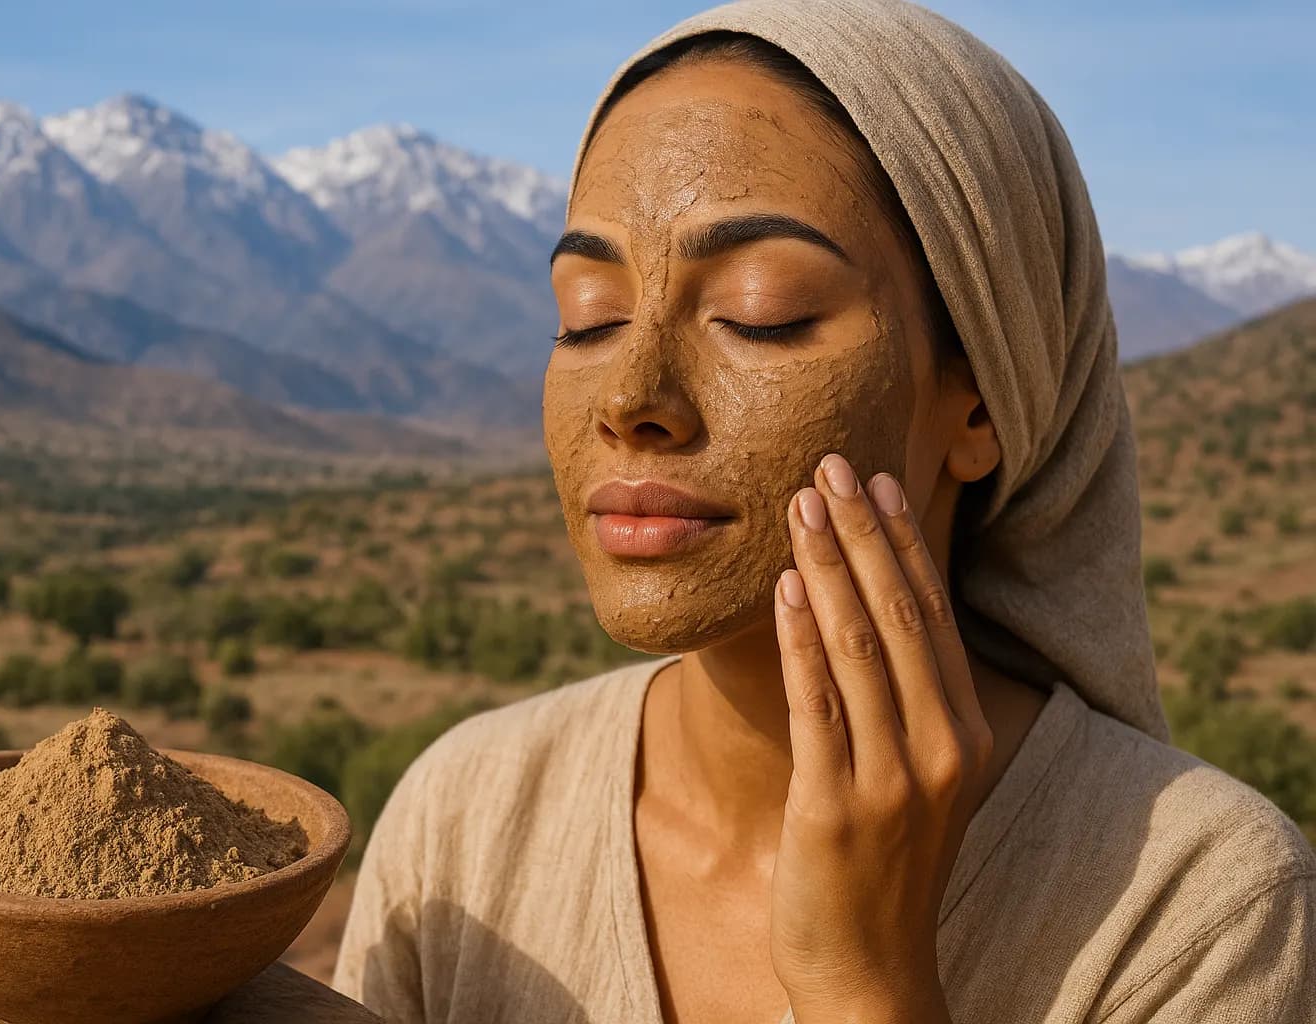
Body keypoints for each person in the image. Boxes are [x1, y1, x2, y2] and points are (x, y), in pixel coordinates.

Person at [331, 1, 1315, 1021]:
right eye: (591, 317)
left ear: (980, 402)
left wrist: (865, 981)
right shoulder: (467, 820)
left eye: (762, 312)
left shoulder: (1197, 908)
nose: (631, 400)